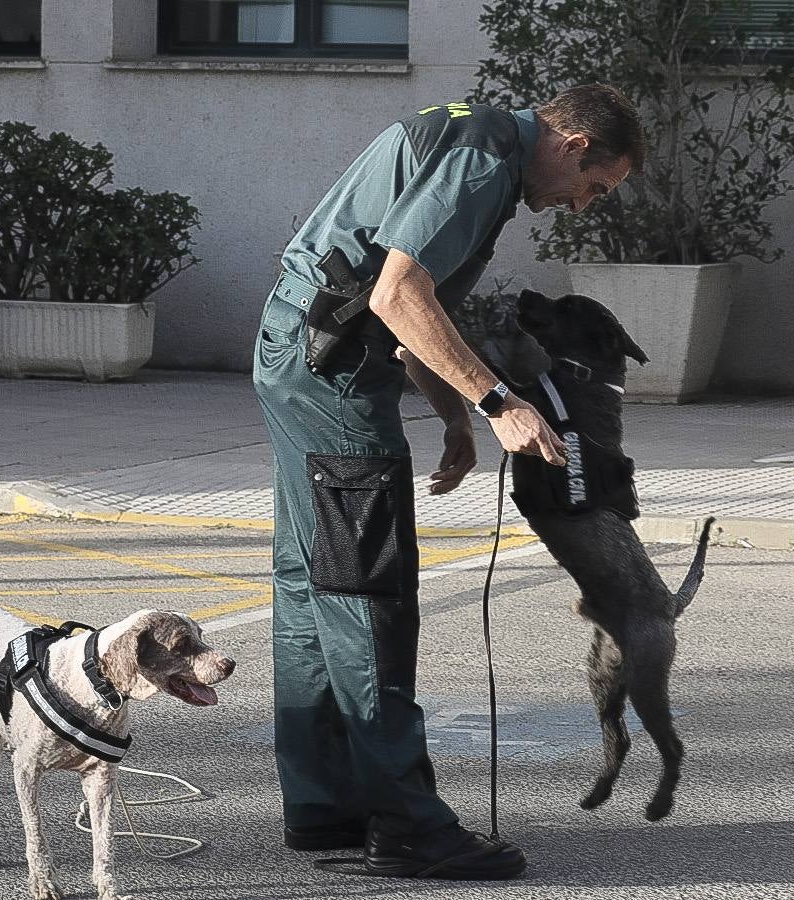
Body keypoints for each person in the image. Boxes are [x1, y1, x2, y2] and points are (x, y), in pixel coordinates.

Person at [251, 83, 645, 880]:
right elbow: (398, 293)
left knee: (311, 586)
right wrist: (497, 401)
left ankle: (325, 807)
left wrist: (455, 417)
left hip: (304, 355)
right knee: (369, 594)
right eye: (594, 187)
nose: (581, 205)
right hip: (329, 374)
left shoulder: (476, 136)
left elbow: (403, 306)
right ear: (572, 145)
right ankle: (406, 825)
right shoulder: (485, 158)